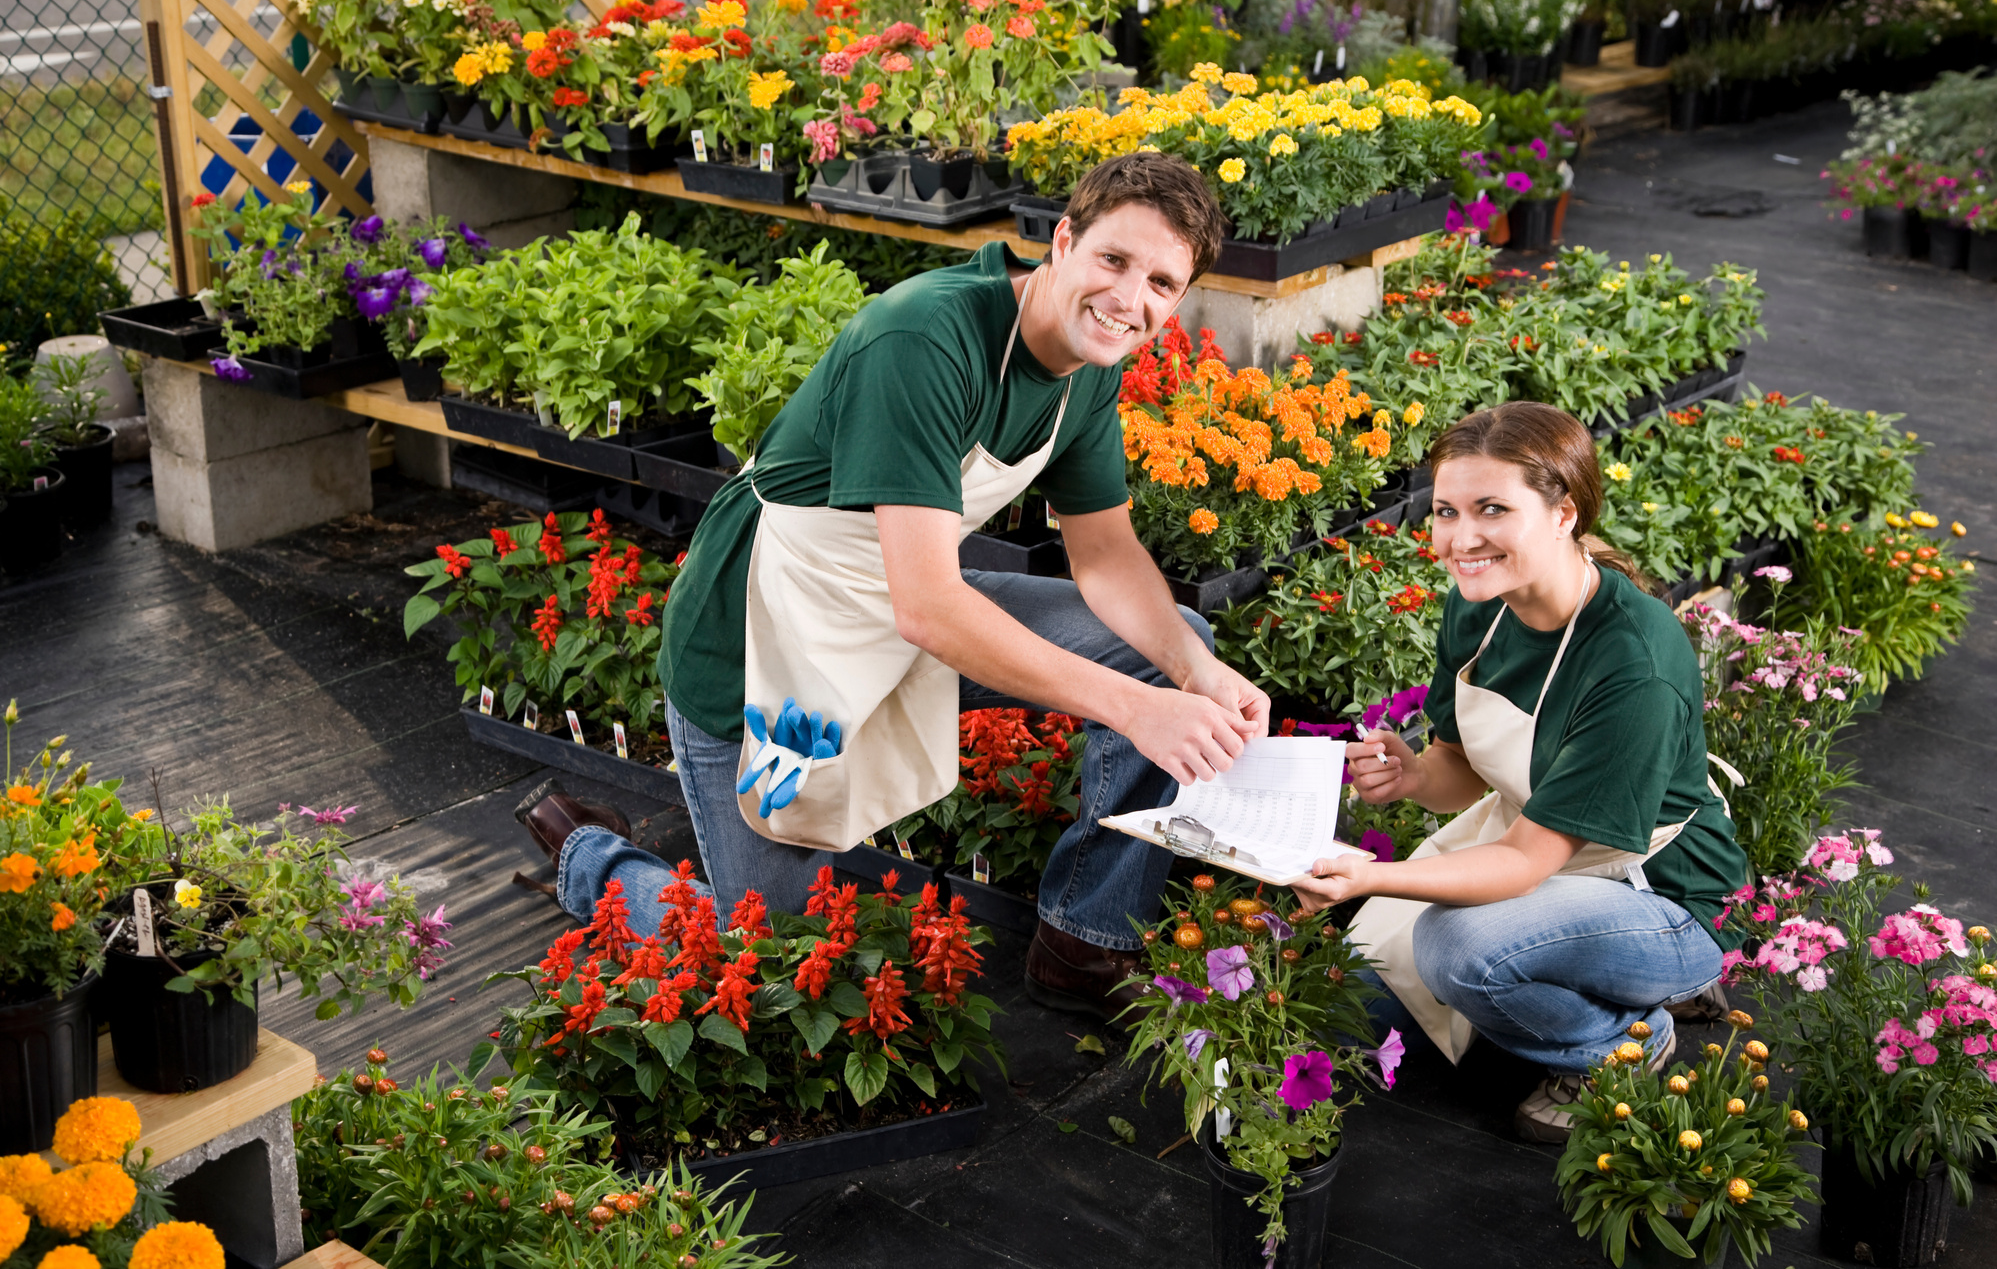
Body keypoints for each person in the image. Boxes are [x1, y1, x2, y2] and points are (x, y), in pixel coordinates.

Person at [518, 153, 1272, 1022]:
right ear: (1062, 241)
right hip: (766, 634)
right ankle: (594, 860)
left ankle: (1085, 938)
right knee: (776, 968)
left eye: (1161, 283)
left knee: (1174, 648)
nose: (1129, 297)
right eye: (1113, 260)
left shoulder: (1089, 365)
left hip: (908, 602)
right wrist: (1138, 711)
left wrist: (1193, 676)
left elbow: (1103, 555)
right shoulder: (927, 336)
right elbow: (930, 607)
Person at [1289, 402, 1749, 1143]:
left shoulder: (1632, 662)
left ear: (1563, 512)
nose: (1459, 539)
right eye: (1444, 510)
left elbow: (1523, 859)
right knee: (1356, 1015)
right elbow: (1463, 769)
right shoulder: (1481, 604)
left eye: (1492, 509)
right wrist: (1413, 777)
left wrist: (1363, 876)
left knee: (1456, 954)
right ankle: (1580, 986)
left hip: (1658, 893)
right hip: (1540, 852)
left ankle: (1619, 1041)